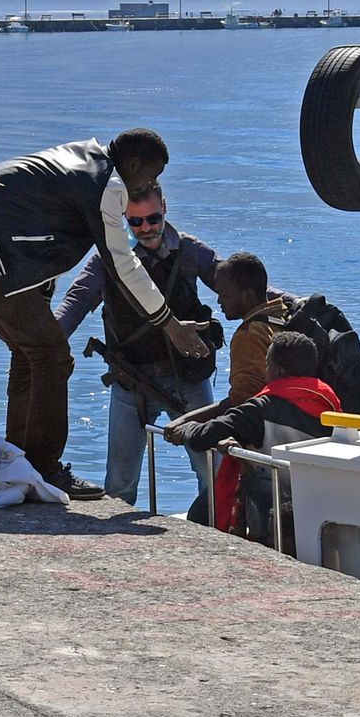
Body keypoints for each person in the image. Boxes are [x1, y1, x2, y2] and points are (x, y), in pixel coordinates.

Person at [0, 130, 211, 500]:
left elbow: (39, 232)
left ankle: (18, 461)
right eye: (150, 175)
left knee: (29, 350)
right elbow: (122, 262)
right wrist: (169, 324)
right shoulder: (107, 186)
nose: (150, 184)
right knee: (51, 356)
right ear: (131, 165)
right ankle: (45, 468)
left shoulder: (81, 159)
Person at [55, 184, 222, 505]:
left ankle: (224, 536)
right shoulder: (108, 258)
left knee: (212, 471)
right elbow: (76, 300)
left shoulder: (189, 251)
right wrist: (46, 340)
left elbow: (236, 282)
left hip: (187, 379)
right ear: (123, 220)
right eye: (135, 222)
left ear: (165, 208)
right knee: (119, 480)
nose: (146, 228)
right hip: (131, 381)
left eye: (153, 218)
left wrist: (285, 304)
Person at [165, 331, 340, 551]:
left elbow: (205, 436)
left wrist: (185, 427)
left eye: (267, 364)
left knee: (199, 514)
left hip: (281, 500)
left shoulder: (261, 409)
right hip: (322, 497)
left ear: (277, 370)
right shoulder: (329, 399)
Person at [167, 252, 290, 427]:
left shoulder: (248, 335)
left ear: (247, 295)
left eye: (224, 294)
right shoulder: (282, 317)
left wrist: (187, 420)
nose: (218, 301)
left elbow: (243, 400)